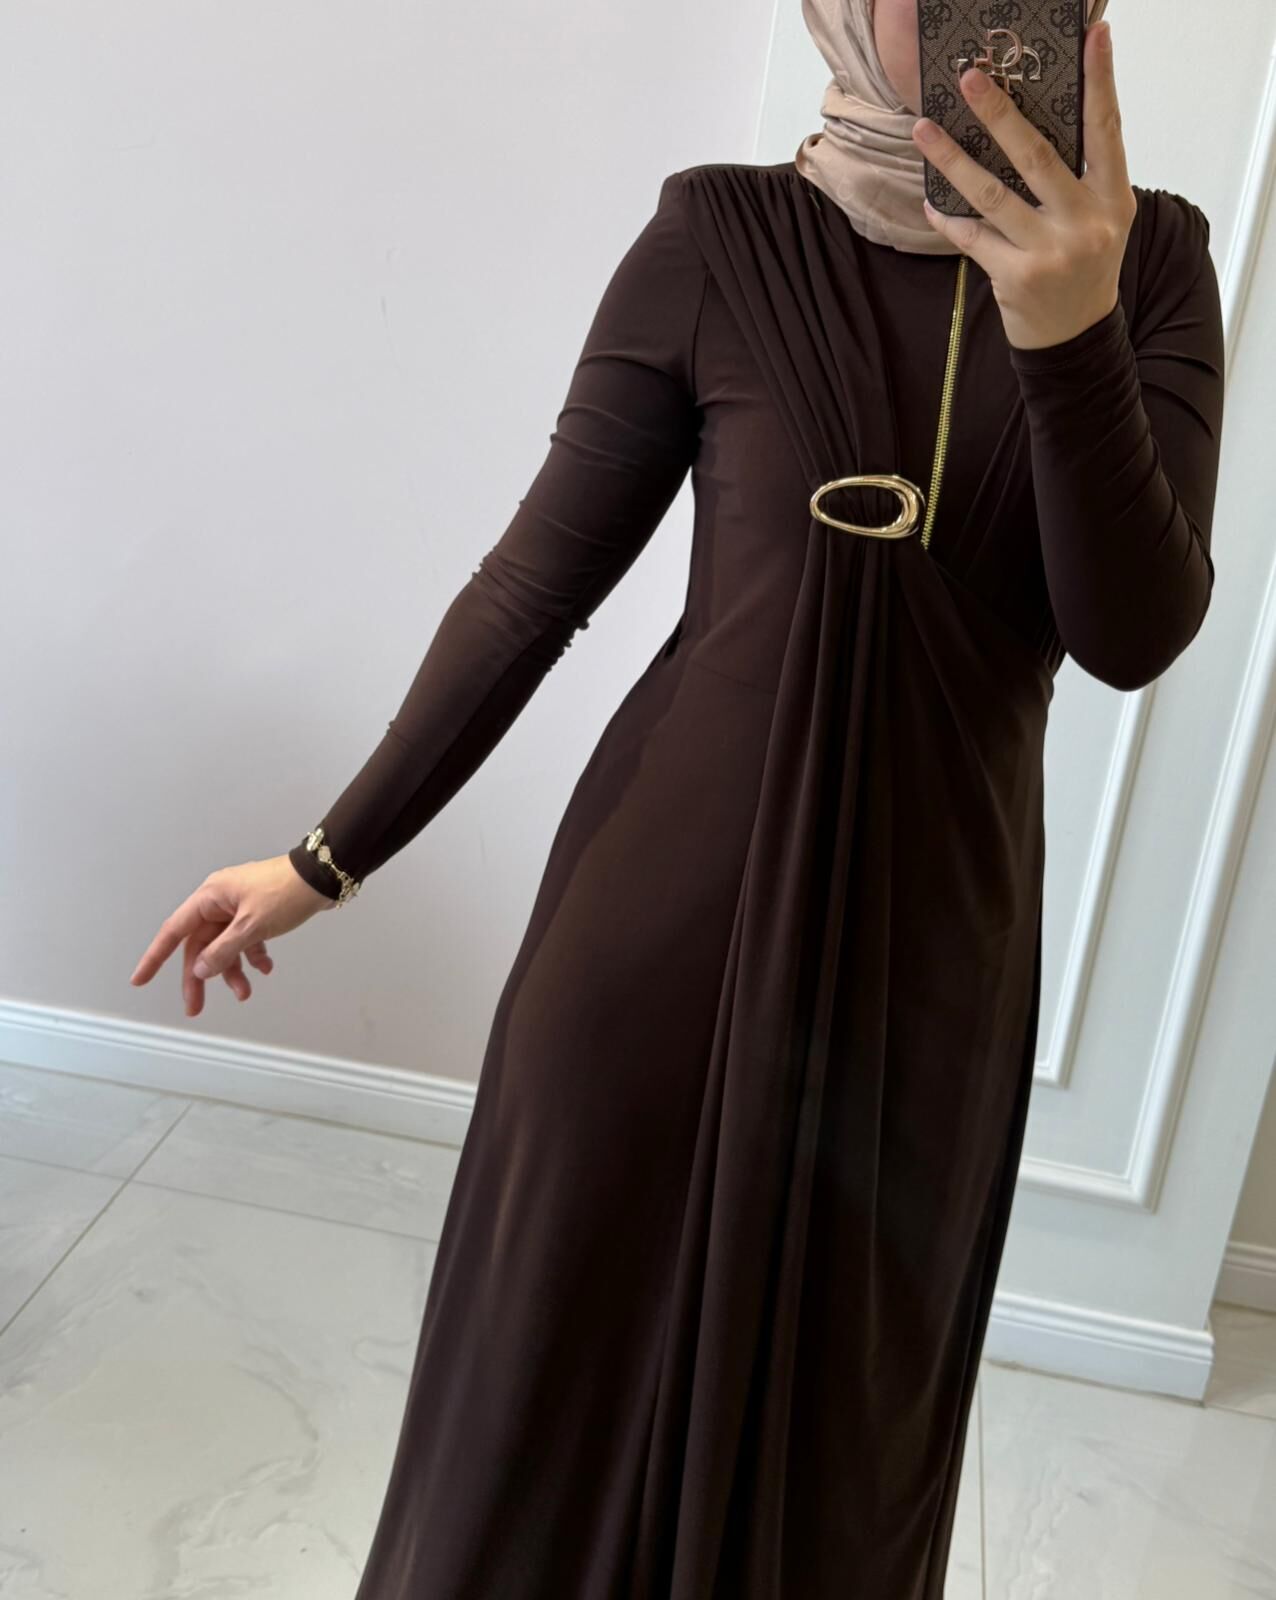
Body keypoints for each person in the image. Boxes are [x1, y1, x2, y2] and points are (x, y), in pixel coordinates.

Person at [130, 1, 1225, 1594]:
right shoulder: (718, 234)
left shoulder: (1156, 264)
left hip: (929, 984)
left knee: (840, 1478)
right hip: (652, 958)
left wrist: (1067, 330)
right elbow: (533, 587)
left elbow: (1131, 635)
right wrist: (320, 859)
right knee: (538, 1450)